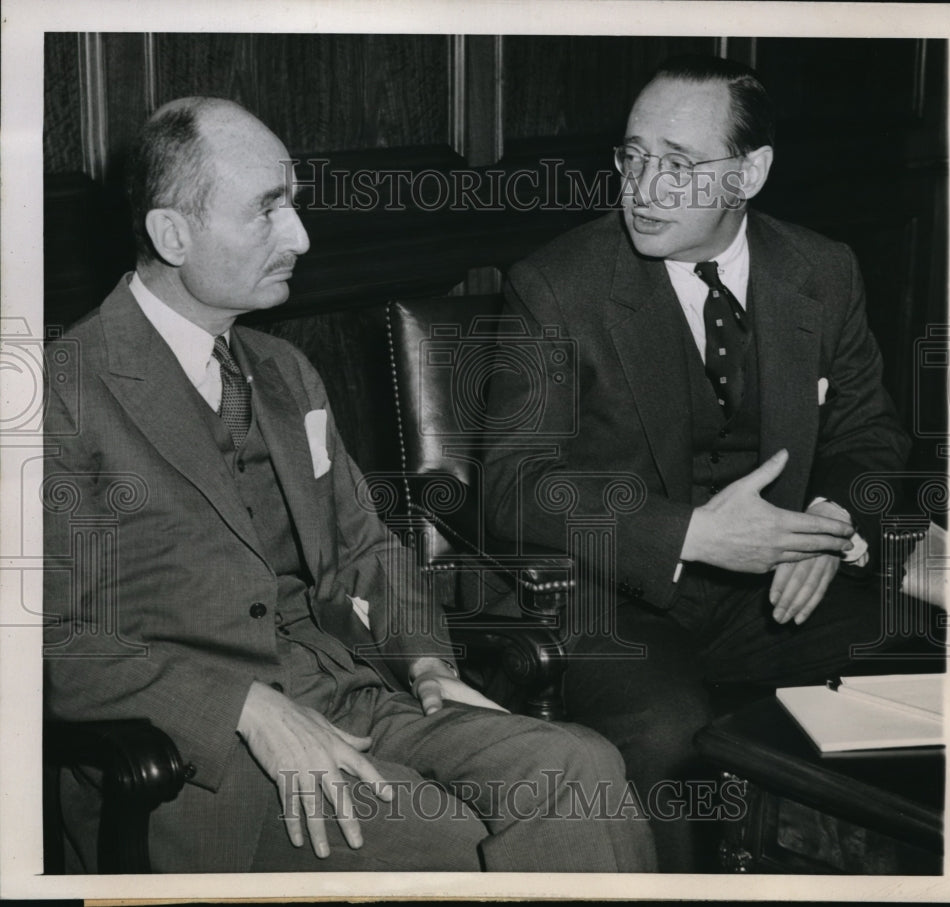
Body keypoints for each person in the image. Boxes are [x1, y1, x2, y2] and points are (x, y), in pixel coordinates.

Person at [43, 96, 656, 874]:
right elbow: (47, 643)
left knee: (581, 772)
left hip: (354, 697)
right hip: (194, 770)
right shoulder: (57, 395)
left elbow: (363, 546)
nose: (300, 236)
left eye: (293, 206)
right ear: (173, 234)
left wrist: (430, 664)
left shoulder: (284, 372)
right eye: (267, 212)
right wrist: (243, 706)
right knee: (472, 842)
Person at [482, 57, 931, 870]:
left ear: (749, 173)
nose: (644, 187)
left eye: (680, 164)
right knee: (668, 734)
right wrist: (689, 532)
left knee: (928, 672)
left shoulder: (823, 272)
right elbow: (512, 484)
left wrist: (831, 525)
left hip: (774, 594)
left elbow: (869, 437)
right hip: (615, 599)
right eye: (632, 156)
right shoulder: (556, 287)